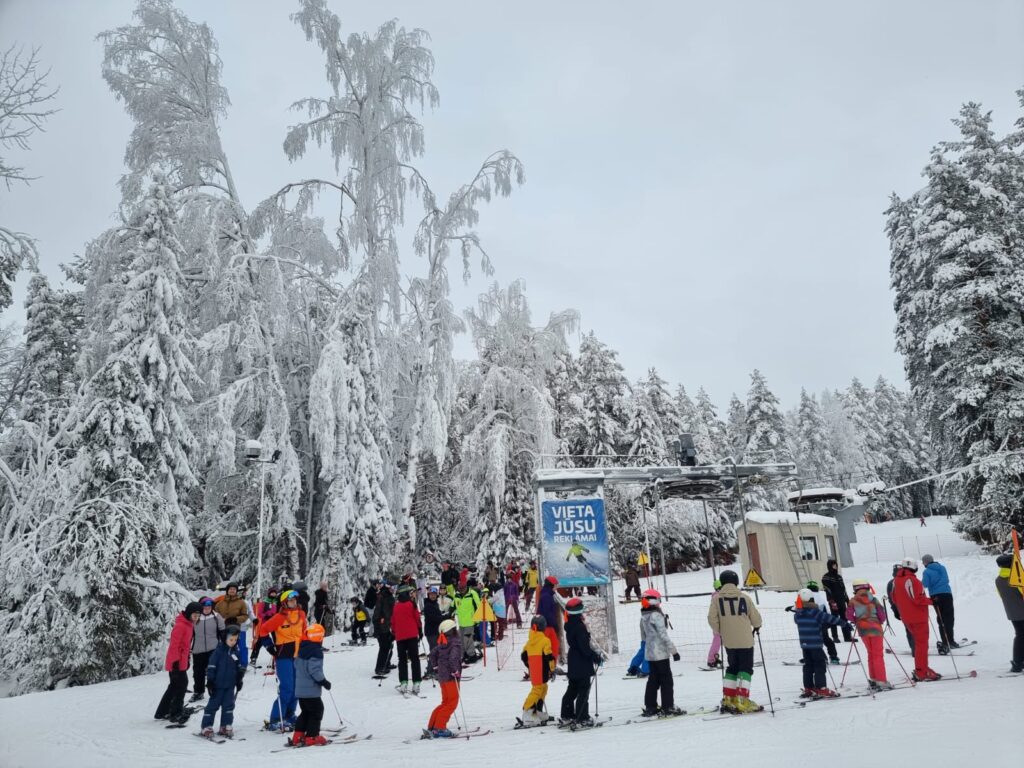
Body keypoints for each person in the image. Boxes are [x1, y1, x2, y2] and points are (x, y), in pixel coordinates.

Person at [707, 569, 763, 714]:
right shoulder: (745, 598)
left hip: (729, 641)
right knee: (745, 668)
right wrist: (757, 625)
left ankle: (729, 697)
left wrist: (721, 630)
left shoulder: (716, 599)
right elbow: (755, 617)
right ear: (736, 582)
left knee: (732, 667)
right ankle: (742, 700)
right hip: (745, 640)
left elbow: (712, 618)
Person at [258, 589, 308, 730]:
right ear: (284, 603)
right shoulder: (279, 617)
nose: (293, 602)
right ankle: (276, 718)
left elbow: (304, 632)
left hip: (298, 656)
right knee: (287, 688)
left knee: (297, 689)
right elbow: (263, 630)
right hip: (283, 656)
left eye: (295, 600)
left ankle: (289, 715)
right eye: (290, 600)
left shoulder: (301, 615)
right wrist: (269, 646)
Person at [793, 588, 850, 698]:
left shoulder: (797, 614)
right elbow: (830, 619)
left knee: (808, 666)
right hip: (816, 644)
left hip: (805, 645)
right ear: (811, 599)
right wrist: (843, 624)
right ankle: (821, 688)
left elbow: (796, 619)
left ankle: (808, 688)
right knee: (820, 665)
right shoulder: (815, 612)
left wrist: (798, 608)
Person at [891, 558, 941, 682]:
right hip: (918, 617)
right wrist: (932, 601)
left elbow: (894, 598)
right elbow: (918, 599)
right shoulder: (912, 580)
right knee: (922, 645)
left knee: (919, 644)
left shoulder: (895, 580)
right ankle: (921, 671)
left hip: (907, 618)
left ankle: (921, 668)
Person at [559, 597, 605, 726]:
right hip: (581, 662)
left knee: (573, 688)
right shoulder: (579, 627)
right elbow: (584, 647)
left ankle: (567, 714)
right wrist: (595, 657)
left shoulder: (570, 624)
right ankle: (582, 716)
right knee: (584, 690)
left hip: (574, 660)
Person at [155, 601, 201, 724]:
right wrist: (175, 663)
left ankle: (162, 711)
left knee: (174, 687)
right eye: (195, 615)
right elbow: (174, 645)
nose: (196, 618)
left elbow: (185, 646)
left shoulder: (188, 624)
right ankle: (176, 712)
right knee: (181, 686)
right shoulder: (181, 625)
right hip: (176, 662)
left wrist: (186, 660)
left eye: (198, 616)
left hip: (181, 660)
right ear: (189, 613)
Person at [640, 589, 683, 717]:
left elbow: (643, 637)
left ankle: (650, 706)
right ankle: (668, 706)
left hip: (650, 654)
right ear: (654, 600)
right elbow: (663, 635)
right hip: (660, 654)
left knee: (653, 680)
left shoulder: (644, 616)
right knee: (666, 680)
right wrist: (674, 651)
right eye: (659, 600)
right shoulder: (656, 615)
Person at [844, 578, 892, 690]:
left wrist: (857, 620)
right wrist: (878, 622)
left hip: (863, 629)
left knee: (871, 654)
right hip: (875, 629)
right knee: (878, 655)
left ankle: (874, 678)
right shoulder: (873, 599)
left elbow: (848, 615)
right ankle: (881, 680)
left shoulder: (853, 601)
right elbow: (882, 614)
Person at [200, 624, 244, 739]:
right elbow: (211, 667)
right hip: (217, 685)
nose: (233, 642)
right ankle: (207, 726)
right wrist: (210, 681)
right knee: (212, 706)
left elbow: (239, 667)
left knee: (229, 706)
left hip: (230, 686)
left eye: (235, 639)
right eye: (231, 639)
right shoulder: (218, 652)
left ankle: (225, 725)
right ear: (225, 638)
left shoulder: (236, 652)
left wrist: (239, 679)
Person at [290, 623, 331, 747]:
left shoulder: (302, 648)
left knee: (305, 712)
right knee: (317, 711)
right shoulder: (316, 651)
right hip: (311, 691)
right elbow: (315, 670)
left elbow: (296, 665)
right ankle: (312, 736)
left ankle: (298, 735)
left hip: (301, 691)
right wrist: (324, 681)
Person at [426, 619, 463, 738]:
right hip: (451, 678)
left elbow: (432, 654)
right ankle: (440, 728)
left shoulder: (442, 643)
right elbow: (453, 659)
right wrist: (455, 671)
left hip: (442, 677)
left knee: (445, 702)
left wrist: (436, 667)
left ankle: (433, 725)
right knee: (452, 703)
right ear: (453, 630)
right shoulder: (455, 643)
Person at [519, 615, 556, 726]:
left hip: (535, 670)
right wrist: (552, 669)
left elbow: (523, 656)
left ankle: (537, 711)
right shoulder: (545, 641)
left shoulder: (529, 642)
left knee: (543, 687)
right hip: (541, 670)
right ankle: (527, 712)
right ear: (543, 627)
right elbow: (549, 656)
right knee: (537, 689)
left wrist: (530, 665)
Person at [191, 597, 226, 702]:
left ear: (212, 607)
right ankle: (198, 692)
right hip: (198, 649)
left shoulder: (216, 617)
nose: (207, 608)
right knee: (198, 672)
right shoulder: (196, 618)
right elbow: (189, 634)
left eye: (209, 606)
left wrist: (225, 645)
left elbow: (222, 631)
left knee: (213, 671)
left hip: (213, 648)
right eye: (204, 606)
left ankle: (214, 690)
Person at [921, 554, 958, 652]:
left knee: (941, 619)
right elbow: (947, 579)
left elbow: (925, 584)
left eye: (923, 562)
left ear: (926, 562)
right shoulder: (942, 568)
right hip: (947, 594)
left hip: (936, 596)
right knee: (949, 617)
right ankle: (951, 640)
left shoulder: (926, 571)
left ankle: (945, 642)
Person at [392, 584, 423, 694]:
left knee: (402, 660)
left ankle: (404, 682)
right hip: (412, 636)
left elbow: (393, 622)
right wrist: (420, 630)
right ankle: (416, 682)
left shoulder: (396, 606)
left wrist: (394, 632)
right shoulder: (412, 604)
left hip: (400, 637)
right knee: (415, 659)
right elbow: (417, 618)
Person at [995, 553, 1024, 674]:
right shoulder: (1016, 578)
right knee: (1021, 636)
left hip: (1012, 612)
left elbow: (1001, 595)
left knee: (1021, 635)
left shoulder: (998, 580)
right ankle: (1017, 663)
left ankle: (1019, 662)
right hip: (1021, 611)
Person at [216, 583, 251, 667]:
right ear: (227, 591)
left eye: (234, 589)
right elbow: (215, 614)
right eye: (230, 589)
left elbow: (245, 616)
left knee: (241, 646)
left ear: (236, 591)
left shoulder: (241, 603)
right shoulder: (220, 603)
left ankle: (243, 664)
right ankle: (226, 664)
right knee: (225, 646)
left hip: (239, 628)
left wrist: (236, 619)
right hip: (224, 628)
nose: (232, 590)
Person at [805, 579, 840, 663]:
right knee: (826, 639)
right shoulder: (821, 597)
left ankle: (819, 658)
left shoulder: (806, 596)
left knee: (811, 641)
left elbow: (800, 609)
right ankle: (833, 656)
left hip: (810, 623)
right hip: (823, 622)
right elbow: (827, 610)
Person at [821, 560, 853, 643]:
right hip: (833, 601)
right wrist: (832, 601)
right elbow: (827, 590)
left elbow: (843, 589)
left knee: (844, 618)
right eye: (833, 565)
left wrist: (847, 599)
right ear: (830, 566)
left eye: (836, 565)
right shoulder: (826, 577)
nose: (835, 566)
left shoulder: (839, 577)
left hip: (842, 600)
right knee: (834, 619)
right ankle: (835, 637)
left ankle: (847, 636)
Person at [886, 564, 915, 654]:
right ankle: (916, 648)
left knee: (910, 629)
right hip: (910, 609)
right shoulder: (905, 580)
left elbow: (891, 599)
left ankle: (915, 648)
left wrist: (895, 611)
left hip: (903, 609)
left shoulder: (893, 582)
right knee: (914, 629)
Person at [453, 581, 481, 662]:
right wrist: (450, 613)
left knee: (467, 639)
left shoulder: (472, 594)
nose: (461, 590)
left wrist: (477, 620)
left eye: (463, 588)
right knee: (461, 639)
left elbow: (478, 606)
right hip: (461, 622)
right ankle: (464, 654)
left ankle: (472, 655)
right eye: (460, 588)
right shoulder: (456, 595)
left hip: (470, 621)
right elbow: (453, 605)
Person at [252, 587, 279, 667]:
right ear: (269, 594)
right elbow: (259, 613)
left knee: (276, 640)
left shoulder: (276, 602)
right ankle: (253, 657)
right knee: (260, 641)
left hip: (274, 624)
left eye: (274, 593)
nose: (273, 594)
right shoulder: (264, 603)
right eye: (272, 593)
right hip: (265, 624)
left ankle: (276, 658)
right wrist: (267, 616)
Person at [373, 581, 396, 676]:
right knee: (384, 647)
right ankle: (379, 667)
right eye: (392, 588)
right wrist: (377, 629)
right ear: (388, 588)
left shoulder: (390, 597)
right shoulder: (382, 597)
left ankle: (387, 663)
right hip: (382, 627)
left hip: (388, 626)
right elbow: (376, 614)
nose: (393, 590)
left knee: (389, 646)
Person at [537, 575, 562, 660]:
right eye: (555, 585)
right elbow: (548, 614)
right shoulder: (547, 596)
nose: (556, 587)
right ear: (551, 585)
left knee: (553, 646)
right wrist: (555, 625)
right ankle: (549, 667)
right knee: (551, 647)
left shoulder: (547, 595)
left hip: (547, 625)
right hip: (546, 627)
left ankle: (551, 666)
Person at [422, 587, 446, 655]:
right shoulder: (428, 605)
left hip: (437, 630)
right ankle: (431, 665)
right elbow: (434, 618)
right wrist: (444, 617)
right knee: (434, 650)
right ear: (428, 595)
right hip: (431, 632)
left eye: (434, 594)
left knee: (439, 649)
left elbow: (437, 615)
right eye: (431, 594)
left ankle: (439, 664)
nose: (433, 596)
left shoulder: (435, 604)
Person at [706, 577, 723, 667]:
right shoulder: (717, 597)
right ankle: (711, 660)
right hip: (718, 624)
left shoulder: (717, 596)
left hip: (719, 623)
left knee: (719, 642)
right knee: (717, 642)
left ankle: (714, 657)